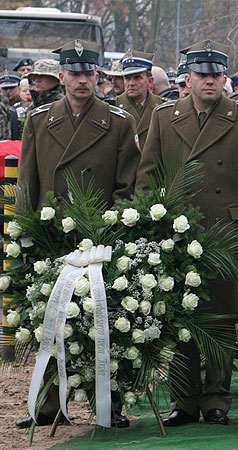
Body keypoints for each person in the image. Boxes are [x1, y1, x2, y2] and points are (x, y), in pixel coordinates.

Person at [135, 39, 238, 427]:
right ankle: (184, 399)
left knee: (221, 319)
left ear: (224, 78)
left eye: (215, 75)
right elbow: (147, 177)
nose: (209, 81)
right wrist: (151, 225)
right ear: (188, 78)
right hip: (177, 232)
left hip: (226, 231)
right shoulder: (164, 117)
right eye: (201, 75)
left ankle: (217, 398)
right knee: (178, 316)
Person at [15, 39, 140, 429]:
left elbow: (128, 185)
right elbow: (27, 183)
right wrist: (25, 233)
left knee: (109, 321)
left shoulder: (118, 121)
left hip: (99, 239)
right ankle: (49, 404)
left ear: (97, 77)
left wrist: (107, 226)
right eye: (75, 73)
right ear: (62, 76)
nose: (82, 80)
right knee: (50, 321)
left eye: (89, 74)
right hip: (52, 236)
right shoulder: (38, 121)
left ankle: (110, 406)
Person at [116, 50, 165, 151]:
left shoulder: (163, 107)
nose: (131, 83)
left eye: (137, 78)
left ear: (150, 81)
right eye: (127, 78)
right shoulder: (113, 107)